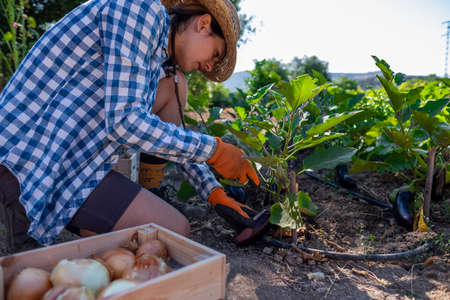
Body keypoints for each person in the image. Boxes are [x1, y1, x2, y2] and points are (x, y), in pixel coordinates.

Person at [0, 0, 259, 248]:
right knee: (171, 231)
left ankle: (136, 201)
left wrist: (213, 192)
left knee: (174, 84)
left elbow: (173, 133)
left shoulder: (156, 62)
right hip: (29, 157)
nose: (210, 67)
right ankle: (22, 201)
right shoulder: (140, 7)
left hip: (71, 163)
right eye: (216, 53)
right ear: (203, 24)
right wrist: (215, 150)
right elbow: (125, 122)